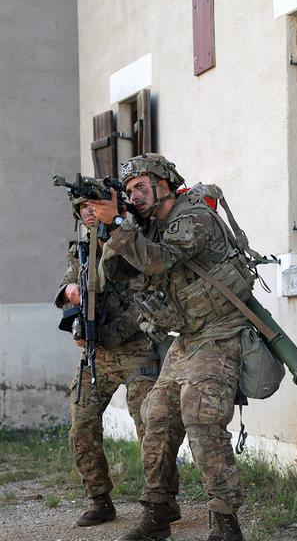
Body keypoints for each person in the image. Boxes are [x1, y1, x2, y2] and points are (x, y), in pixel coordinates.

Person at [90, 153, 253, 541]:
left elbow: (160, 262)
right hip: (188, 337)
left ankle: (226, 521)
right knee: (156, 415)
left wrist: (117, 222)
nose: (136, 197)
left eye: (141, 189)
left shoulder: (193, 217)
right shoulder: (149, 226)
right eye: (129, 192)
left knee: (202, 419)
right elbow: (116, 271)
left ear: (163, 184)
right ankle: (158, 511)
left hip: (220, 331)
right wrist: (117, 225)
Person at [54, 192, 169, 528]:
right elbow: (64, 286)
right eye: (82, 208)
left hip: (136, 349)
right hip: (96, 356)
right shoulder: (80, 249)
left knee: (150, 426)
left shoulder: (132, 240)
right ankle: (100, 500)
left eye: (94, 206)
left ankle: (163, 501)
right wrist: (70, 293)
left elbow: (148, 298)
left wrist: (109, 333)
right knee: (82, 427)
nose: (89, 212)